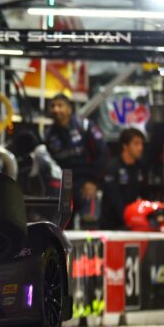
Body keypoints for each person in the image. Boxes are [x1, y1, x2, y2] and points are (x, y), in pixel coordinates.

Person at [45, 93, 108, 228]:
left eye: (60, 105)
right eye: (53, 106)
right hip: (63, 190)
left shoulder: (84, 126)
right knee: (61, 228)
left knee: (90, 222)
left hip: (86, 186)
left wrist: (93, 181)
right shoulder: (49, 135)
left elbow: (103, 153)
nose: (56, 109)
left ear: (69, 109)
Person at [100, 128, 148, 229]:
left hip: (134, 223)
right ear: (125, 146)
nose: (141, 148)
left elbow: (145, 195)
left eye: (141, 144)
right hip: (112, 226)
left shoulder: (140, 167)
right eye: (136, 144)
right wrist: (129, 218)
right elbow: (114, 200)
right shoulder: (112, 168)